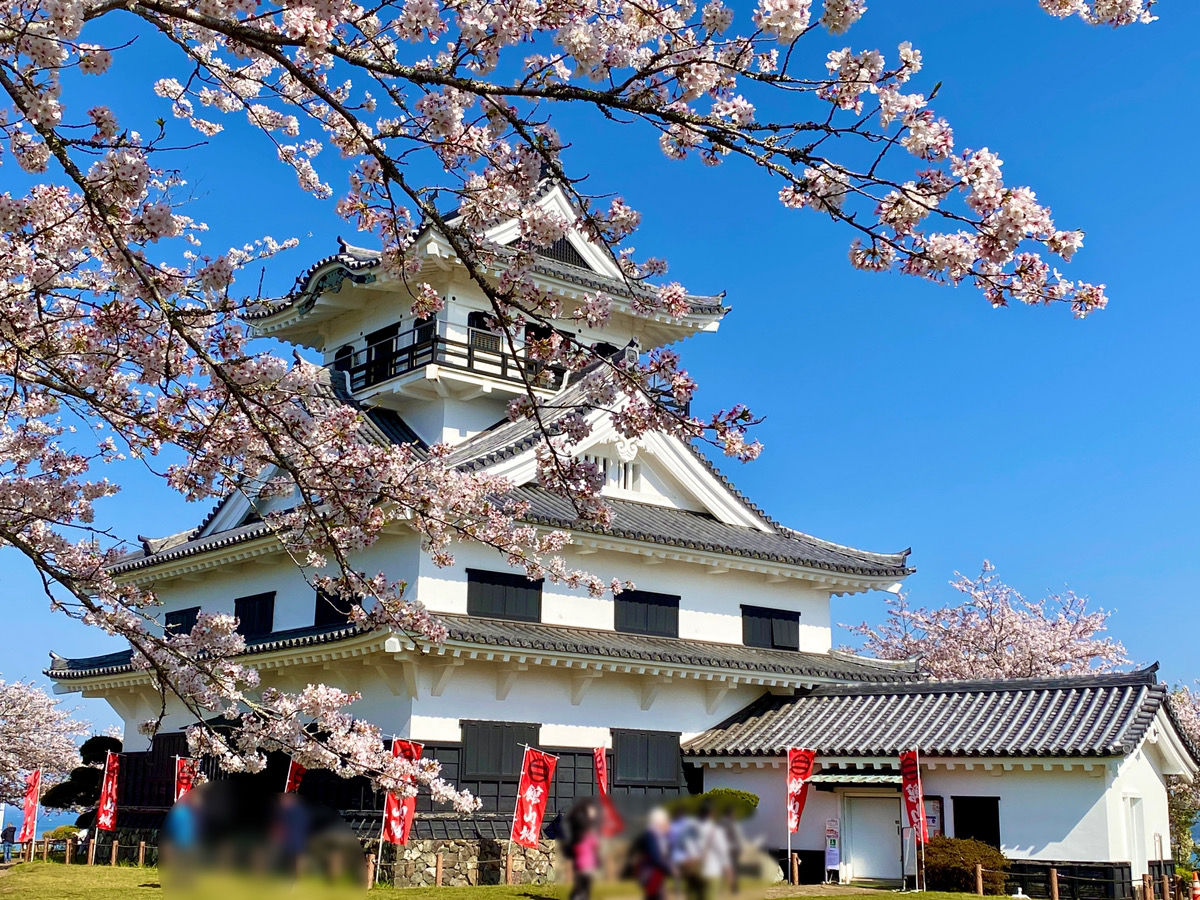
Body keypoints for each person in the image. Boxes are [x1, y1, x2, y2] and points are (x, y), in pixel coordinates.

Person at [630, 808, 673, 900]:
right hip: (652, 874)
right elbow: (655, 857)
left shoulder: (657, 835)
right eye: (666, 821)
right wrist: (669, 868)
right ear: (659, 822)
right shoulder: (651, 835)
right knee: (656, 896)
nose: (667, 824)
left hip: (654, 874)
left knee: (654, 896)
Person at [567, 798, 600, 900]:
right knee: (584, 883)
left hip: (581, 859)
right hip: (586, 860)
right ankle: (579, 896)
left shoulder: (577, 818)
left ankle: (579, 896)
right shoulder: (583, 822)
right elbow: (595, 843)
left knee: (582, 882)